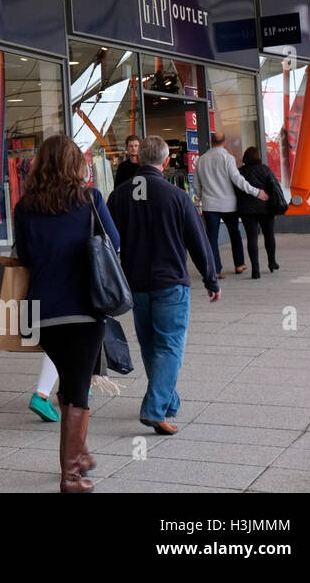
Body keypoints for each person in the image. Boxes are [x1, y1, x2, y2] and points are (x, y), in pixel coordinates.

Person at [13, 134, 118, 493]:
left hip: (41, 313)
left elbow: (24, 257)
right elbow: (113, 243)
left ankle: (81, 452)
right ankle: (70, 476)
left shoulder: (25, 206)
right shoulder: (90, 200)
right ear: (76, 165)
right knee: (78, 387)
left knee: (72, 381)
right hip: (84, 309)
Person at [108, 135, 220, 436]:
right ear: (166, 161)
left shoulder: (118, 196)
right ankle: (155, 409)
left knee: (150, 345)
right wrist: (210, 278)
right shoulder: (177, 196)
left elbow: (106, 241)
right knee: (169, 345)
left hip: (135, 283)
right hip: (170, 282)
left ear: (138, 159)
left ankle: (167, 401)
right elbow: (199, 242)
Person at [194, 132, 266, 278]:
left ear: (211, 142)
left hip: (210, 205)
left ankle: (216, 269)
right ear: (224, 143)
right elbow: (238, 180)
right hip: (228, 204)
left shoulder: (201, 160)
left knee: (211, 238)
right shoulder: (228, 158)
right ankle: (239, 264)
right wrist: (256, 192)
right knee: (234, 233)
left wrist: (202, 197)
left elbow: (196, 184)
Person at [237, 147, 283, 279]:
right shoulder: (265, 169)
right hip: (266, 208)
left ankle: (255, 269)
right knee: (269, 235)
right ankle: (272, 262)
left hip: (247, 210)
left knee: (252, 237)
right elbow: (274, 186)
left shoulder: (240, 172)